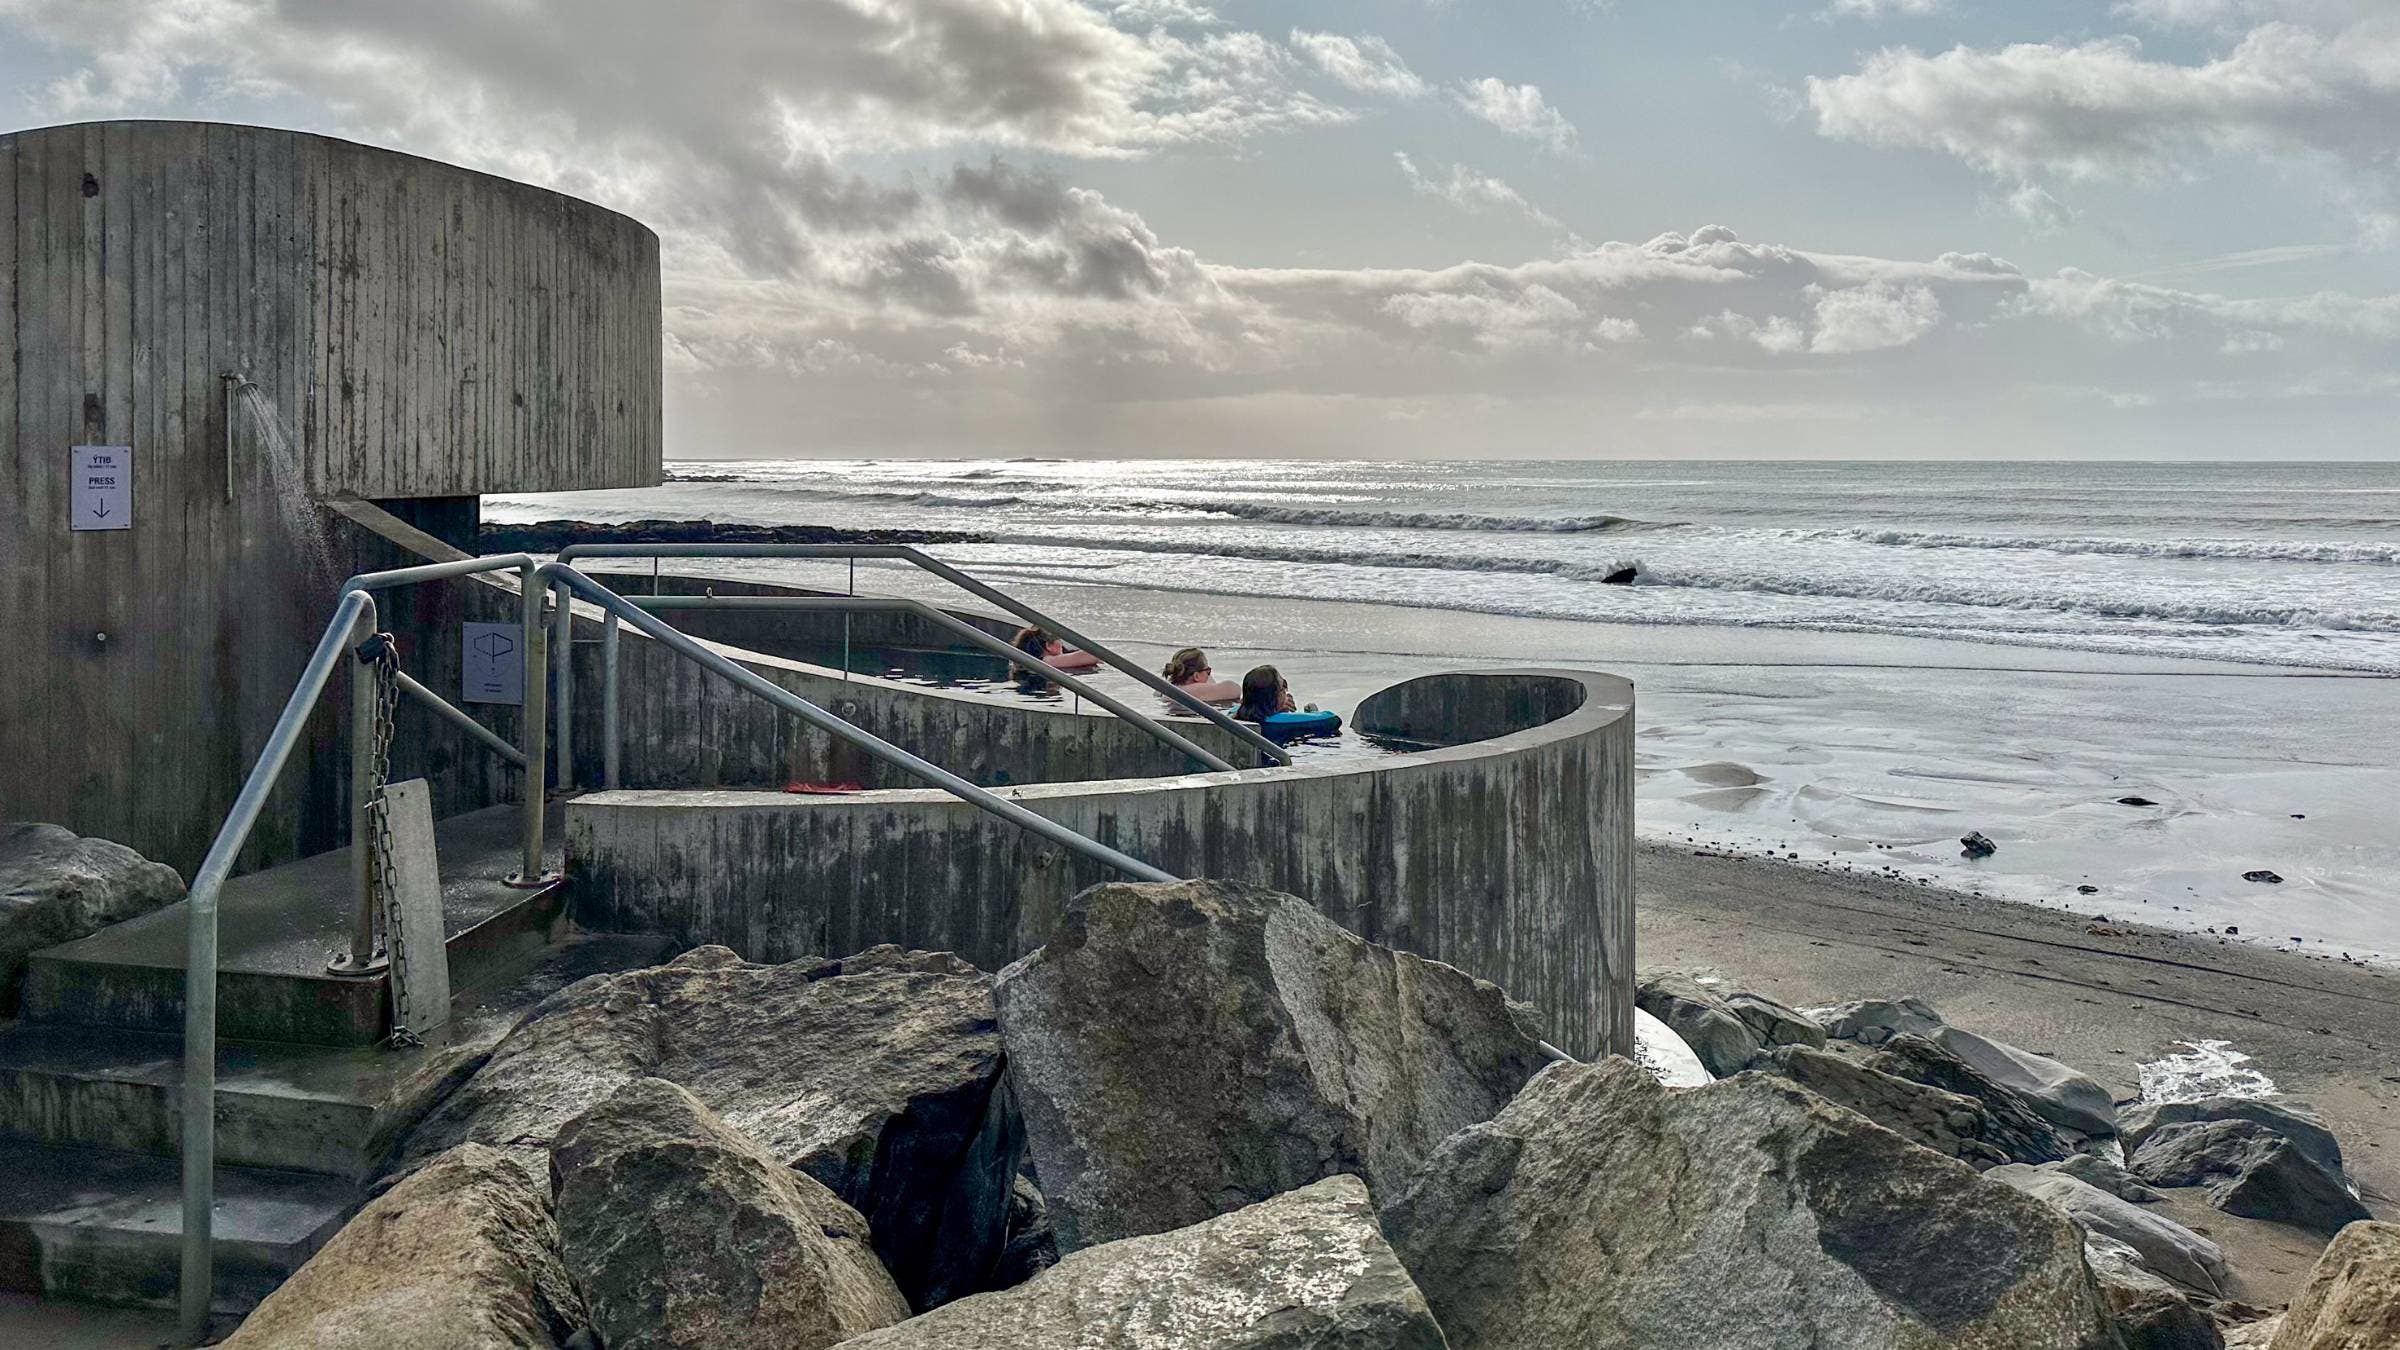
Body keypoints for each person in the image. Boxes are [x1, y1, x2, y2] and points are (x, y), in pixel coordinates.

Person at [1010, 625, 1099, 691]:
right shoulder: (1048, 661)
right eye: (1059, 641)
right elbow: (1094, 655)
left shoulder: (1029, 662)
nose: (1062, 646)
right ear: (1049, 646)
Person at [1161, 647, 1240, 705]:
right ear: (1196, 676)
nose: (1209, 675)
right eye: (1208, 671)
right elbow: (1234, 689)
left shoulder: (1165, 688)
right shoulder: (1192, 691)